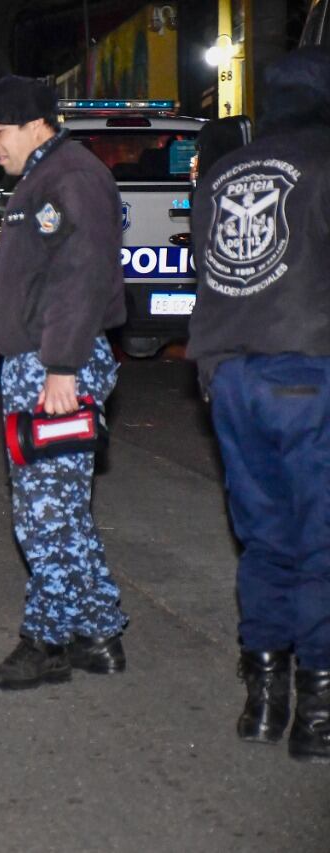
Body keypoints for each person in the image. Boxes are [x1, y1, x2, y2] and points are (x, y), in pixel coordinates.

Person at [187, 48, 330, 761]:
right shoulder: (325, 162)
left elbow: (209, 269)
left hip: (231, 376)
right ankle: (319, 713)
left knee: (266, 540)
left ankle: (264, 704)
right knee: (321, 542)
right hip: (309, 368)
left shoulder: (224, 173)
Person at [0, 76, 128, 690]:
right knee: (61, 512)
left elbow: (81, 274)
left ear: (36, 125)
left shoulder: (72, 177)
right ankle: (99, 633)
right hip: (37, 363)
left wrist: (62, 366)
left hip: (55, 366)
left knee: (43, 518)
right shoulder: (44, 175)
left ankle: (48, 641)